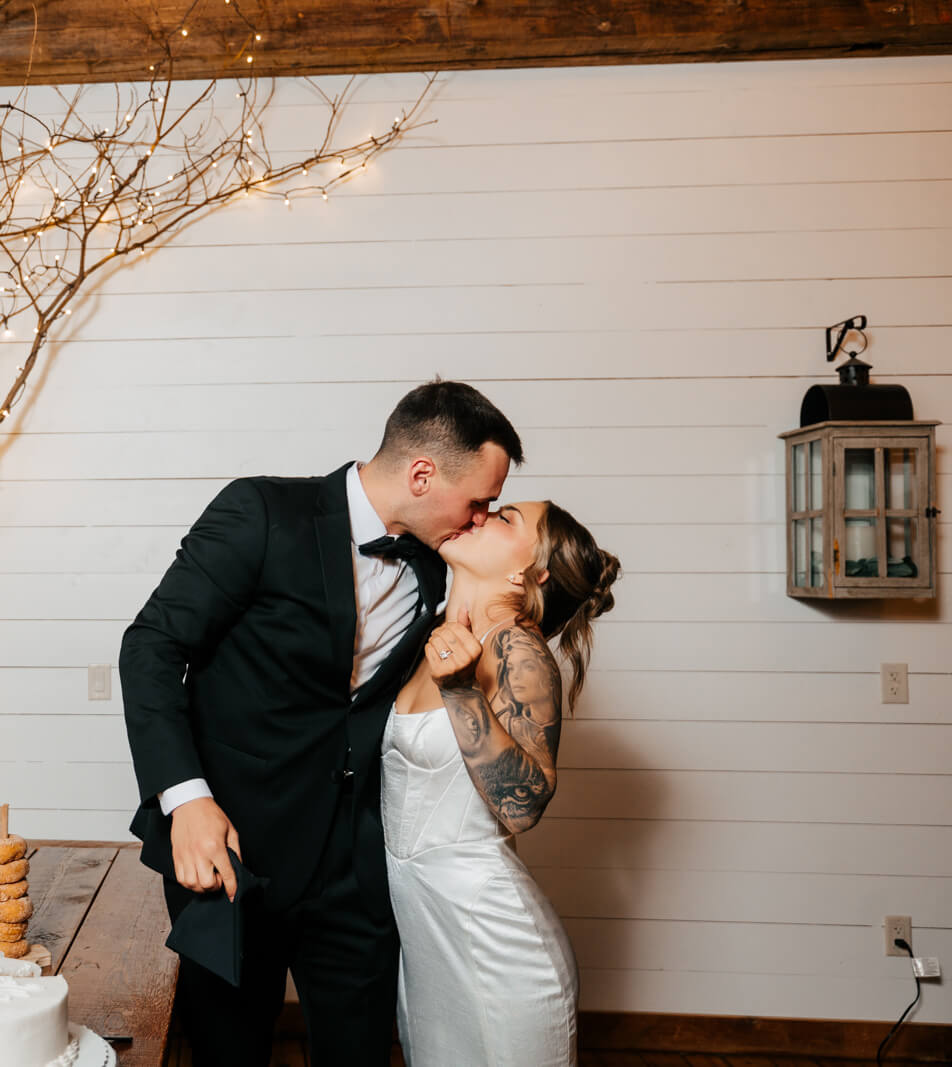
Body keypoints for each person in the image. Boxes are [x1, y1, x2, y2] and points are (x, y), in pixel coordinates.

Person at [120, 380, 523, 1066]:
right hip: (231, 852)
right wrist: (185, 800)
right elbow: (150, 647)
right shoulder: (260, 512)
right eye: (478, 501)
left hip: (354, 871)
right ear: (422, 474)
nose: (481, 518)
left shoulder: (440, 564)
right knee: (227, 1054)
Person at [384, 500, 620, 1065]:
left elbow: (523, 807)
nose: (479, 516)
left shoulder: (519, 649)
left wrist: (462, 691)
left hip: (496, 945)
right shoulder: (439, 634)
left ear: (529, 573)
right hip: (427, 941)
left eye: (506, 518)